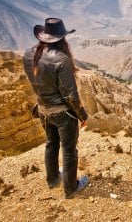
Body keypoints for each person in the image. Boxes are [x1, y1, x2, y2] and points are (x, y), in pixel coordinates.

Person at [23, 18, 89, 199]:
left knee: (51, 144)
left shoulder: (28, 54)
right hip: (62, 114)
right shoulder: (61, 60)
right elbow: (70, 96)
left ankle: (52, 179)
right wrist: (82, 115)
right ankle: (70, 188)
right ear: (61, 38)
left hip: (43, 110)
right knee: (69, 150)